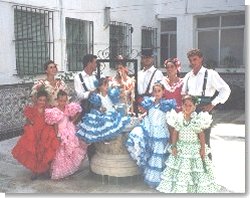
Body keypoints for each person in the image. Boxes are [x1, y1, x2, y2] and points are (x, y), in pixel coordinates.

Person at [156, 95, 220, 193]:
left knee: (195, 169)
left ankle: (194, 189)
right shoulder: (179, 118)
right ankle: (181, 189)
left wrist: (202, 149)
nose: (187, 107)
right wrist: (174, 146)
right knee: (181, 169)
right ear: (182, 106)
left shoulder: (196, 120)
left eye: (190, 105)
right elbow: (175, 133)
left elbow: (201, 135)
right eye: (185, 105)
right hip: (181, 148)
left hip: (194, 148)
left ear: (194, 107)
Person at [181, 48, 231, 159]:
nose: (193, 62)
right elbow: (183, 93)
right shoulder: (188, 76)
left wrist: (213, 103)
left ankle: (206, 170)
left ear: (201, 59)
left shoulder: (210, 74)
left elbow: (225, 90)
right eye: (190, 60)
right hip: (189, 110)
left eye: (195, 59)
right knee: (190, 141)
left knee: (204, 141)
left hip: (204, 110)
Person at [126, 82, 176, 188]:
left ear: (163, 92)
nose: (157, 93)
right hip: (151, 131)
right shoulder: (150, 104)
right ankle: (152, 176)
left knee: (159, 155)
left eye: (159, 91)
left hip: (161, 133)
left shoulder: (166, 105)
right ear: (152, 92)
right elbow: (149, 114)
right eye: (155, 91)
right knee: (152, 153)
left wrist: (172, 137)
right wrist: (142, 116)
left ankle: (160, 178)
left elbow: (170, 121)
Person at [12, 87, 60, 180]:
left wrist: (56, 134)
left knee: (45, 152)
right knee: (35, 152)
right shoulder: (32, 109)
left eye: (44, 100)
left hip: (46, 133)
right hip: (34, 133)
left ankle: (45, 170)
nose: (42, 102)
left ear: (46, 101)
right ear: (36, 100)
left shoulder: (49, 110)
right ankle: (35, 171)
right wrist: (29, 125)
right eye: (40, 100)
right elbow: (28, 121)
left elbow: (54, 122)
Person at [44, 90, 88, 180]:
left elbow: (79, 110)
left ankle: (68, 169)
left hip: (69, 130)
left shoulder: (68, 108)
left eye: (64, 101)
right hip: (61, 132)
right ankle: (60, 171)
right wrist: (57, 135)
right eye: (60, 101)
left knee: (71, 150)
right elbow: (55, 124)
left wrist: (73, 121)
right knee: (61, 153)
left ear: (67, 100)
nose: (62, 103)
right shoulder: (55, 111)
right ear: (57, 100)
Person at [76, 77, 131, 144]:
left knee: (119, 120)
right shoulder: (97, 97)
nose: (107, 87)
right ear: (99, 87)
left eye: (107, 85)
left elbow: (119, 98)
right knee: (105, 123)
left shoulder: (110, 94)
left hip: (113, 113)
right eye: (104, 85)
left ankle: (111, 137)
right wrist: (100, 109)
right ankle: (105, 138)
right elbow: (96, 109)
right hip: (105, 115)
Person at [137, 49, 164, 113]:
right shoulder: (139, 73)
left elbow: (159, 91)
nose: (147, 59)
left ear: (152, 58)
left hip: (152, 104)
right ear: (142, 59)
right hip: (139, 104)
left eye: (149, 57)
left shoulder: (158, 73)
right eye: (144, 57)